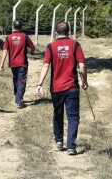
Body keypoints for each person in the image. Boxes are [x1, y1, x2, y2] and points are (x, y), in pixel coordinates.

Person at [37, 21, 88, 155]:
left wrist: (39, 84)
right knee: (73, 117)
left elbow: (45, 66)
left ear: (56, 33)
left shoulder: (51, 46)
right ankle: (71, 146)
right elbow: (82, 65)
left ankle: (59, 141)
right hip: (72, 87)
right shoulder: (75, 45)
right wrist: (85, 81)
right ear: (69, 32)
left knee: (58, 114)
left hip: (56, 88)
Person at [0, 20, 35, 109]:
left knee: (16, 79)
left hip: (13, 63)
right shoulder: (25, 37)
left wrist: (2, 63)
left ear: (13, 27)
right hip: (22, 63)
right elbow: (32, 47)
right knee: (21, 80)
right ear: (21, 27)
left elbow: (5, 50)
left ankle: (18, 96)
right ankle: (19, 100)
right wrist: (32, 52)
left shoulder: (8, 37)